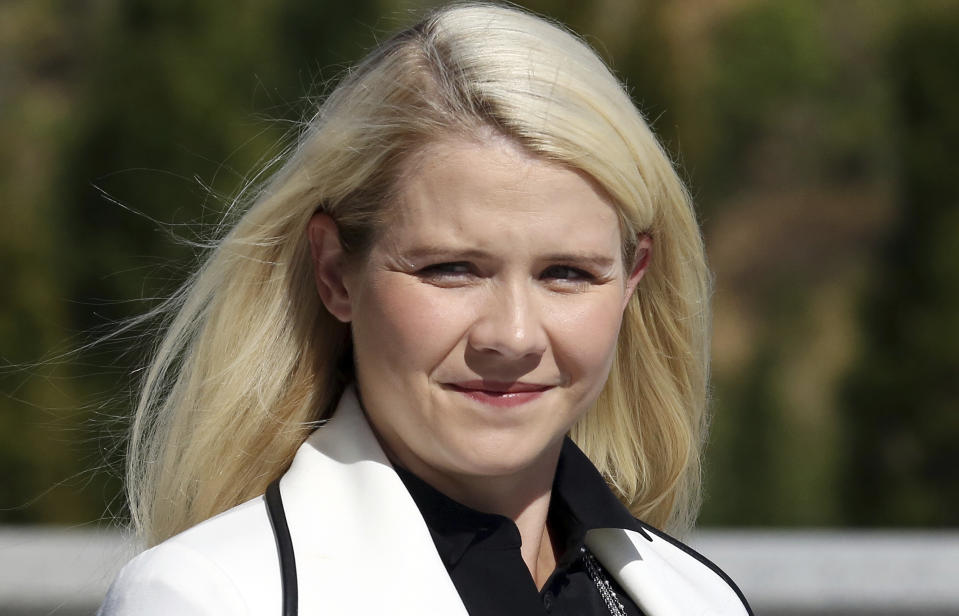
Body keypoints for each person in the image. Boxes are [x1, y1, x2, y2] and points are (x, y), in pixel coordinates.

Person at [98, 3, 752, 615]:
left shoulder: (697, 599)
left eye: (567, 274)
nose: (513, 335)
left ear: (632, 279)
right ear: (334, 273)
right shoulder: (210, 597)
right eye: (451, 269)